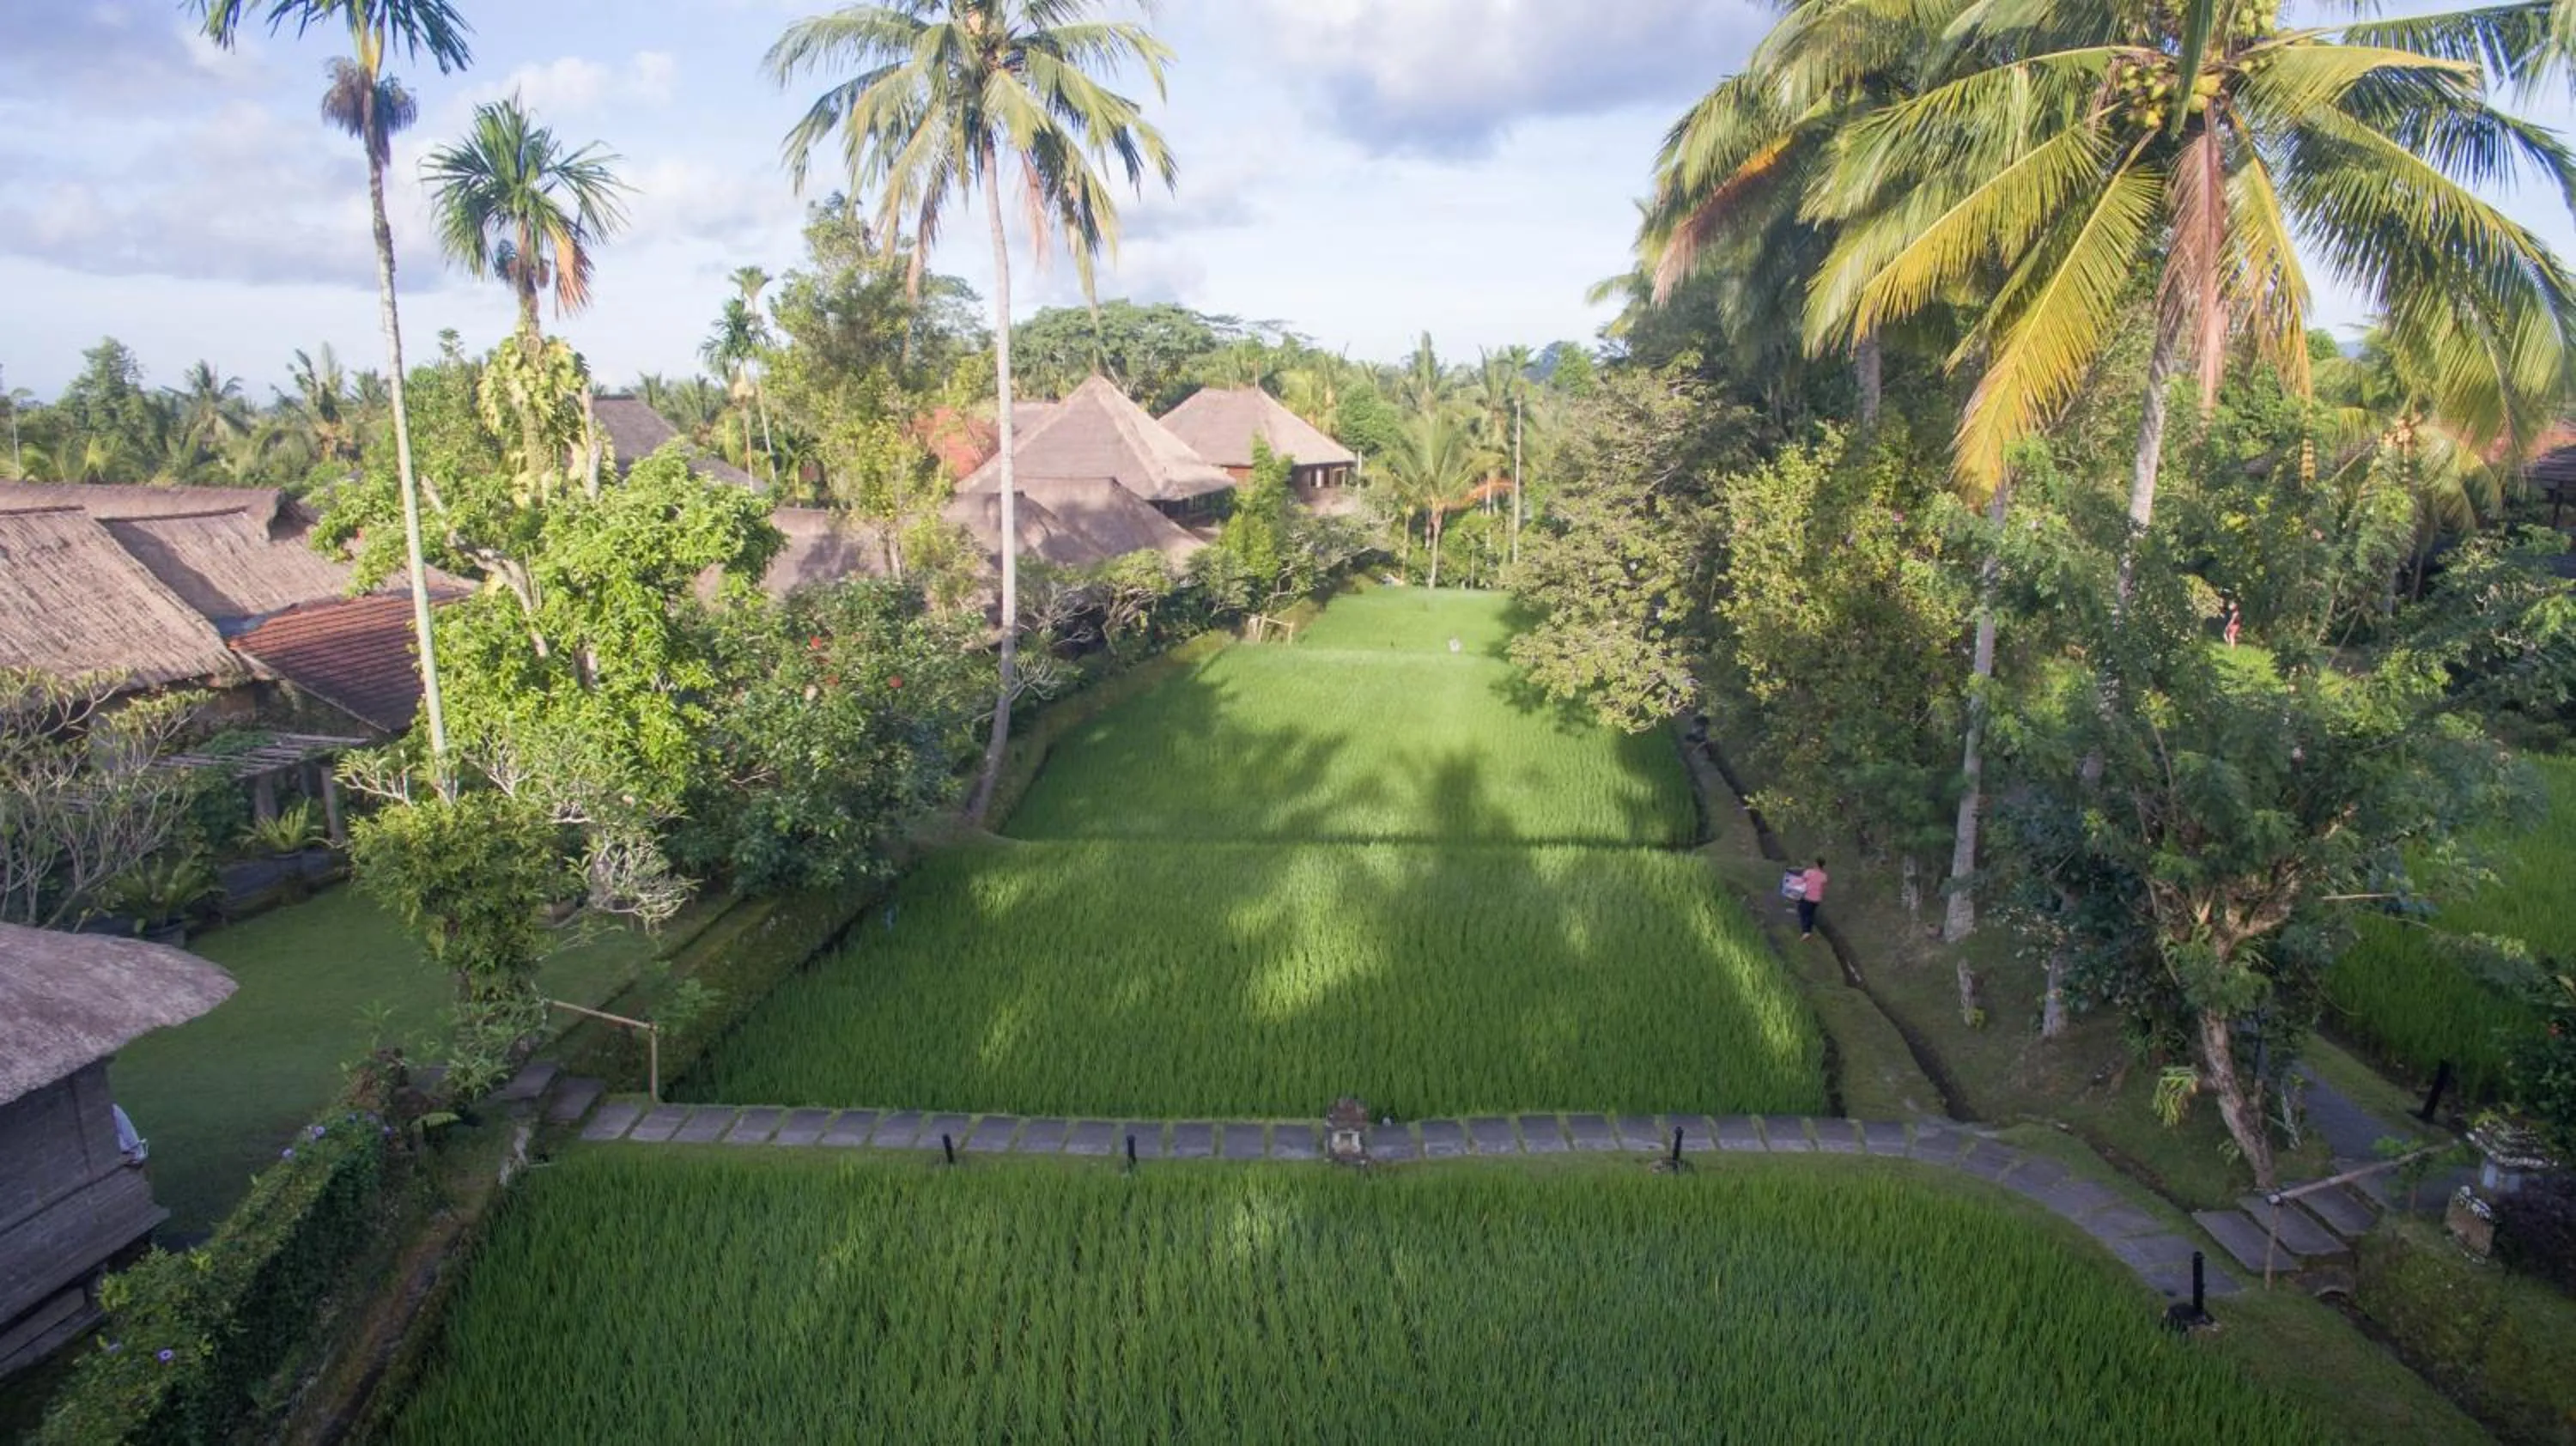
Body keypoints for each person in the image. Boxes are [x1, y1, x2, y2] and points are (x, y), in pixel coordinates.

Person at [1797, 856, 1828, 940]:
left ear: (1816, 864)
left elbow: (1801, 881)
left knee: (1803, 912)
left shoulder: (1809, 872)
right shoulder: (1824, 876)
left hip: (1807, 896)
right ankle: (1808, 931)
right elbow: (1823, 886)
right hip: (1817, 899)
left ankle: (1806, 931)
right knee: (1810, 914)